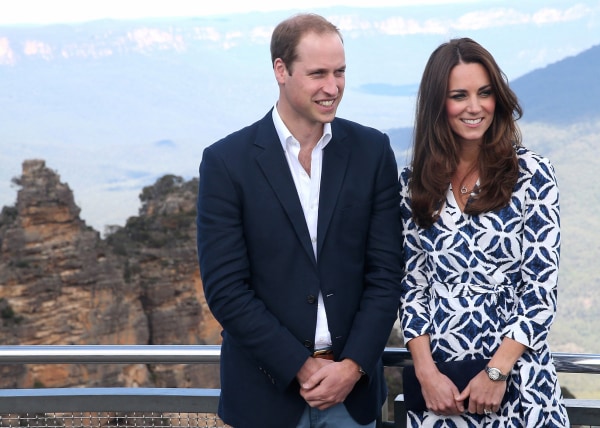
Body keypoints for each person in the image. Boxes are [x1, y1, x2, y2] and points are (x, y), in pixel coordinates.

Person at [196, 13, 403, 428]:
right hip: (264, 396)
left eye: (340, 72)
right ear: (280, 70)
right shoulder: (226, 163)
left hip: (353, 396)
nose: (333, 87)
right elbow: (226, 290)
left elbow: (386, 273)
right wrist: (301, 368)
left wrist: (352, 367)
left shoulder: (372, 151)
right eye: (318, 74)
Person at [398, 37, 570, 427]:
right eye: (459, 95)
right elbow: (412, 288)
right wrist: (427, 375)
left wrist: (496, 372)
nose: (475, 107)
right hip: (442, 393)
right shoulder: (412, 184)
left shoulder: (533, 176)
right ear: (438, 105)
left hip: (518, 383)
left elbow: (540, 290)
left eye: (485, 93)